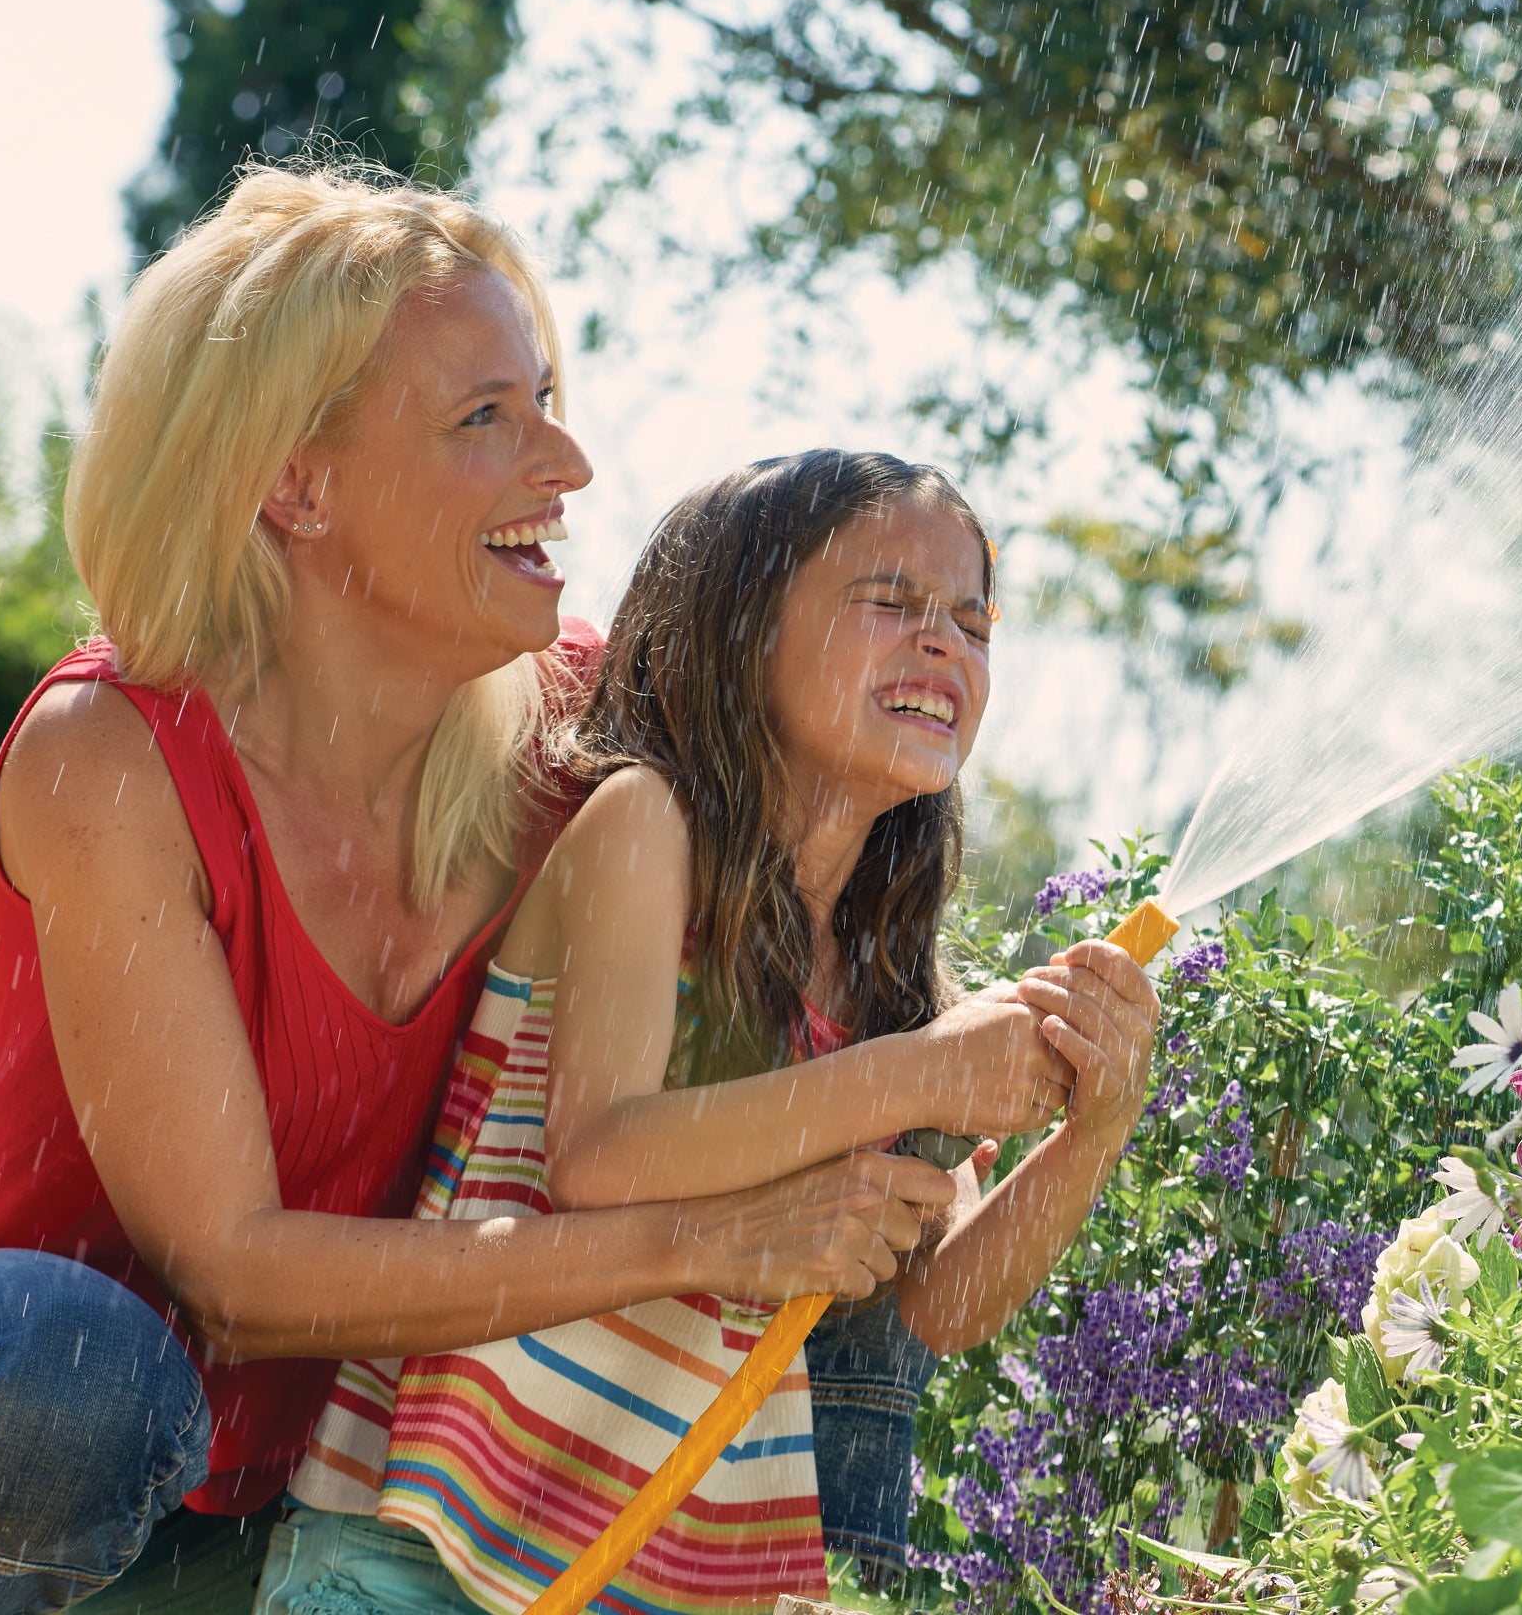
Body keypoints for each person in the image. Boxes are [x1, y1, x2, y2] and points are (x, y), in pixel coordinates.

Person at [0, 169, 998, 1615]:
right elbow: (231, 1273)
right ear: (297, 479)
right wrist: (698, 1241)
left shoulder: (577, 743)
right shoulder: (113, 760)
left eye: (547, 397)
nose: (572, 463)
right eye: (491, 418)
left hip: (307, 1492)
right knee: (77, 1377)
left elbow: (816, 810)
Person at [253, 452, 1160, 1615]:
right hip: (420, 1546)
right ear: (739, 630)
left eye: (974, 624)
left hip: (645, 1580)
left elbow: (941, 1304)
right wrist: (921, 1073)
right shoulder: (648, 823)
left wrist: (1095, 1124)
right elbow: (602, 1154)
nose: (944, 644)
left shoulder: (892, 979)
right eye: (890, 601)